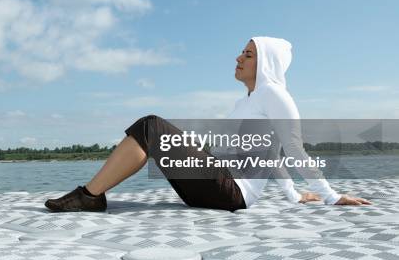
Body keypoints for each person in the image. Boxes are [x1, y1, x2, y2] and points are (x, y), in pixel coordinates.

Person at [44, 37, 371, 212]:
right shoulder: (245, 103)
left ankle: (89, 195)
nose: (238, 58)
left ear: (267, 62)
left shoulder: (274, 94)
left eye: (248, 54)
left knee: (151, 126)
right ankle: (92, 194)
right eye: (241, 52)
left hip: (230, 191)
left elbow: (294, 148)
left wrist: (329, 196)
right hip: (218, 183)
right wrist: (293, 195)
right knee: (153, 131)